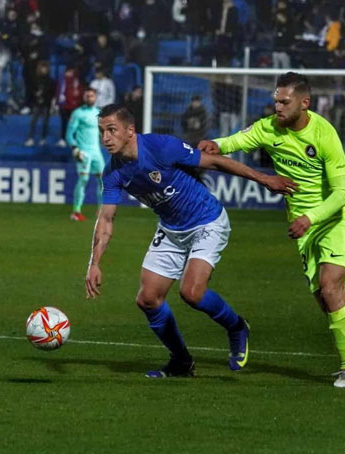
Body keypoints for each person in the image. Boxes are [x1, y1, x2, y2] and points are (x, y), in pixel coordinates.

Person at [197, 72, 345, 389]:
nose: (277, 107)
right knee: (332, 303)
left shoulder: (324, 135)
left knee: (331, 288)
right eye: (276, 100)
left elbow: (343, 193)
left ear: (305, 103)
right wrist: (215, 145)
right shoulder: (268, 128)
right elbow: (237, 140)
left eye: (284, 102)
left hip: (334, 220)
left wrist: (311, 217)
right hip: (305, 229)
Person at [85, 104, 296, 378]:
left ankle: (236, 327)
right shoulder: (113, 173)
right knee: (148, 298)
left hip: (207, 220)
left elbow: (216, 161)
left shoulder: (160, 147)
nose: (105, 138)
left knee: (192, 292)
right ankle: (181, 362)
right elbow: (106, 219)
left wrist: (264, 178)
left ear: (130, 130)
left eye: (111, 130)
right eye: (102, 131)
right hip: (171, 229)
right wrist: (94, 263)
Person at [66, 87, 104, 221]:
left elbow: (102, 132)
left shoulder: (99, 113)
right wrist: (75, 148)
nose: (90, 98)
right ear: (84, 97)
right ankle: (76, 211)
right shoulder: (78, 113)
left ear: (95, 98)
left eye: (92, 96)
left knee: (102, 180)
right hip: (84, 151)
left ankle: (101, 211)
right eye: (87, 96)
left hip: (96, 152)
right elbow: (69, 134)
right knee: (84, 179)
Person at [24, 60, 55, 147]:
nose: (44, 70)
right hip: (37, 103)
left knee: (45, 122)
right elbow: (31, 90)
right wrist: (35, 97)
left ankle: (43, 138)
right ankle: (30, 138)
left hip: (46, 103)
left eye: (45, 68)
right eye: (42, 68)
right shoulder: (35, 79)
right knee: (33, 121)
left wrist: (45, 97)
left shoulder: (50, 81)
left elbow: (51, 92)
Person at [56, 66, 84, 147]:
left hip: (73, 106)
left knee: (74, 124)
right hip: (64, 106)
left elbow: (79, 92)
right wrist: (58, 103)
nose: (68, 74)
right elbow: (58, 92)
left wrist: (78, 103)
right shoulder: (62, 81)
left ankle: (74, 139)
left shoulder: (76, 81)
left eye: (70, 72)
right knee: (64, 123)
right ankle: (63, 139)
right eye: (67, 72)